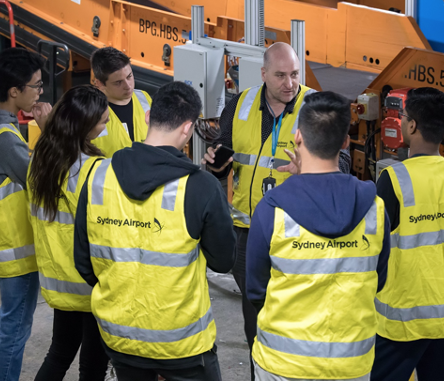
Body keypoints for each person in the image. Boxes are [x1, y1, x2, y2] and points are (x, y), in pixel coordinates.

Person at [202, 42, 351, 378]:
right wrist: (216, 164)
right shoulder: (240, 105)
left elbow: (341, 162)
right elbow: (227, 156)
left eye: (295, 74)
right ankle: (262, 372)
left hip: (298, 231)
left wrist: (310, 169)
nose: (290, 83)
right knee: (254, 309)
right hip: (247, 231)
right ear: (263, 74)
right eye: (281, 75)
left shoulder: (314, 106)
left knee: (297, 307)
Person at [74, 81, 236, 381]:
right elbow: (223, 261)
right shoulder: (200, 186)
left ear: (148, 116)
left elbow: (83, 261)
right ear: (187, 129)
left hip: (120, 340)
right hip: (183, 345)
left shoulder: (97, 175)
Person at [246, 91, 391, 381]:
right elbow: (380, 279)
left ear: (297, 136)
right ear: (346, 142)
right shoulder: (374, 208)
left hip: (283, 365)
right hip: (350, 365)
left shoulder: (273, 209)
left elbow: (255, 290)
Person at [27, 85, 110, 381]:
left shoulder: (40, 159)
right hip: (90, 282)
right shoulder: (94, 170)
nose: (107, 125)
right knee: (93, 364)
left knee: (59, 353)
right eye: (102, 121)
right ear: (85, 125)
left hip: (58, 281)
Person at [371, 87, 444, 381]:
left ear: (412, 125)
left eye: (403, 116)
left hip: (400, 323)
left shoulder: (394, 180)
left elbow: (371, 247)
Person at [0, 47, 52, 380]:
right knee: (13, 333)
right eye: (35, 86)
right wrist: (48, 131)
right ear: (14, 91)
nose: (40, 92)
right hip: (14, 256)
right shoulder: (5, 138)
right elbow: (41, 179)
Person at [90, 46, 153, 157]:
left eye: (129, 76)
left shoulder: (144, 98)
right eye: (118, 82)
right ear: (99, 84)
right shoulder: (89, 112)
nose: (128, 86)